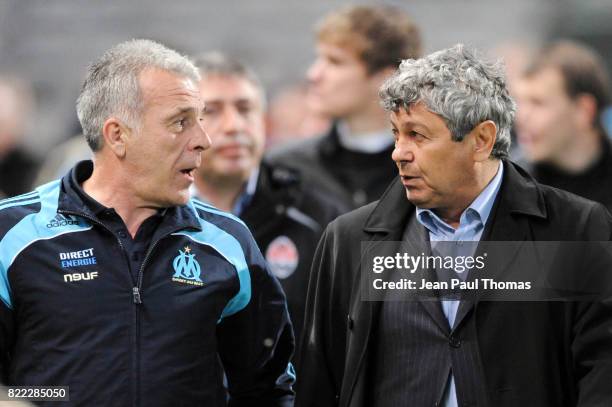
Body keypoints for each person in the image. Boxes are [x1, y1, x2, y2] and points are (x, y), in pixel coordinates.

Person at [297, 44, 612, 407]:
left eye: (417, 134)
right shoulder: (348, 241)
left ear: (482, 140)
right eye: (396, 133)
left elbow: (602, 371)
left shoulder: (577, 228)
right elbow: (319, 383)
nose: (398, 151)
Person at [0, 39, 294, 406]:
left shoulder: (228, 241)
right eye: (180, 122)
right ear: (118, 135)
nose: (204, 140)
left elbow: (267, 388)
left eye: (199, 120)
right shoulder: (12, 235)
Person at [190, 52, 344, 348]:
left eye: (245, 109)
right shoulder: (149, 215)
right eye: (211, 111)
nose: (234, 125)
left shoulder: (318, 216)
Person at [268, 5, 422, 210]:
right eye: (319, 59)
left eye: (335, 61)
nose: (313, 74)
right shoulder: (284, 169)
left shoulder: (430, 173)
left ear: (386, 77)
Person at [515, 40, 612, 211]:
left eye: (537, 103)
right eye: (520, 103)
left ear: (584, 111)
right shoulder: (509, 188)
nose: (521, 117)